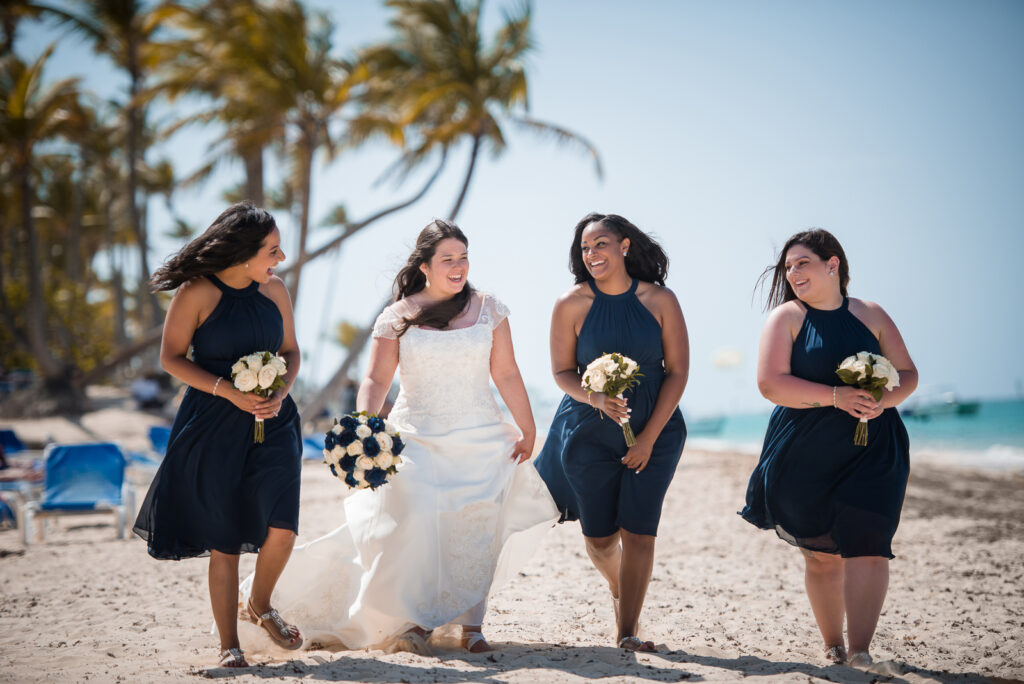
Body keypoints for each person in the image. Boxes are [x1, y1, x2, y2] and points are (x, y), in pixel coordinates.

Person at [240, 219, 557, 655]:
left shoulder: (489, 310)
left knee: (476, 525)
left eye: (463, 257)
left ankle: (471, 626)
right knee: (418, 519)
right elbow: (375, 377)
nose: (458, 266)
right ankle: (413, 621)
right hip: (416, 436)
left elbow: (505, 372)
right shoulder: (398, 316)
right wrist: (364, 427)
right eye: (448, 259)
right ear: (425, 266)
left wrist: (529, 426)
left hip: (480, 436)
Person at [133, 202, 304, 668]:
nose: (281, 257)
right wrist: (228, 391)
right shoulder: (196, 292)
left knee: (283, 531)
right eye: (272, 249)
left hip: (276, 421)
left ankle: (261, 604)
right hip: (212, 424)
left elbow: (290, 351)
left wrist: (282, 392)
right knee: (225, 539)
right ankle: (230, 644)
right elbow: (171, 357)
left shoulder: (275, 290)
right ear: (245, 252)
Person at [739, 229, 918, 667]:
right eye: (789, 268)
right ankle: (833, 643)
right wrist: (836, 396)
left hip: (875, 448)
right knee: (821, 556)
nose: (794, 274)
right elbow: (770, 383)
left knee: (870, 544)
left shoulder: (871, 313)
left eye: (803, 263)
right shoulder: (786, 318)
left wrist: (882, 399)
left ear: (832, 264)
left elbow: (908, 374)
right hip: (805, 453)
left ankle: (859, 650)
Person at [534, 212, 688, 652]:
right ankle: (621, 588)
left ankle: (627, 631)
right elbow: (563, 372)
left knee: (640, 531)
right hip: (587, 431)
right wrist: (597, 399)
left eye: (601, 244)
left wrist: (649, 438)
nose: (592, 254)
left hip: (655, 430)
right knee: (601, 541)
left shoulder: (660, 300)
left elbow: (677, 373)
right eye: (585, 248)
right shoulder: (571, 304)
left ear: (623, 246)